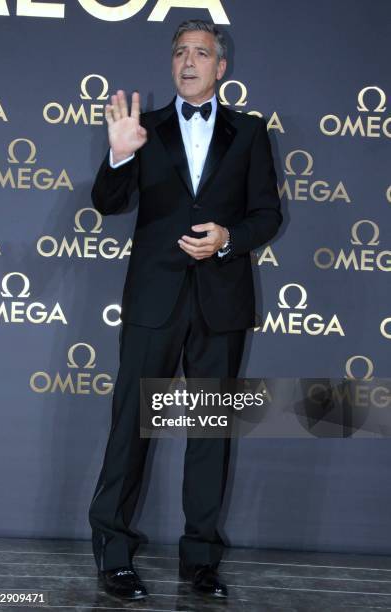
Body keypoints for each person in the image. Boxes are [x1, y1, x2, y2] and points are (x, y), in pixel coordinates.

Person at [89, 18, 282, 601]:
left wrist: (228, 238)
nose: (189, 61)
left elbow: (267, 215)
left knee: (209, 435)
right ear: (172, 64)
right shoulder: (141, 129)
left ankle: (201, 561)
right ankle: (114, 555)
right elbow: (107, 202)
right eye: (180, 53)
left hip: (219, 302)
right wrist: (119, 158)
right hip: (154, 300)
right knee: (130, 430)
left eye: (201, 52)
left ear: (221, 67)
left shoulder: (249, 133)